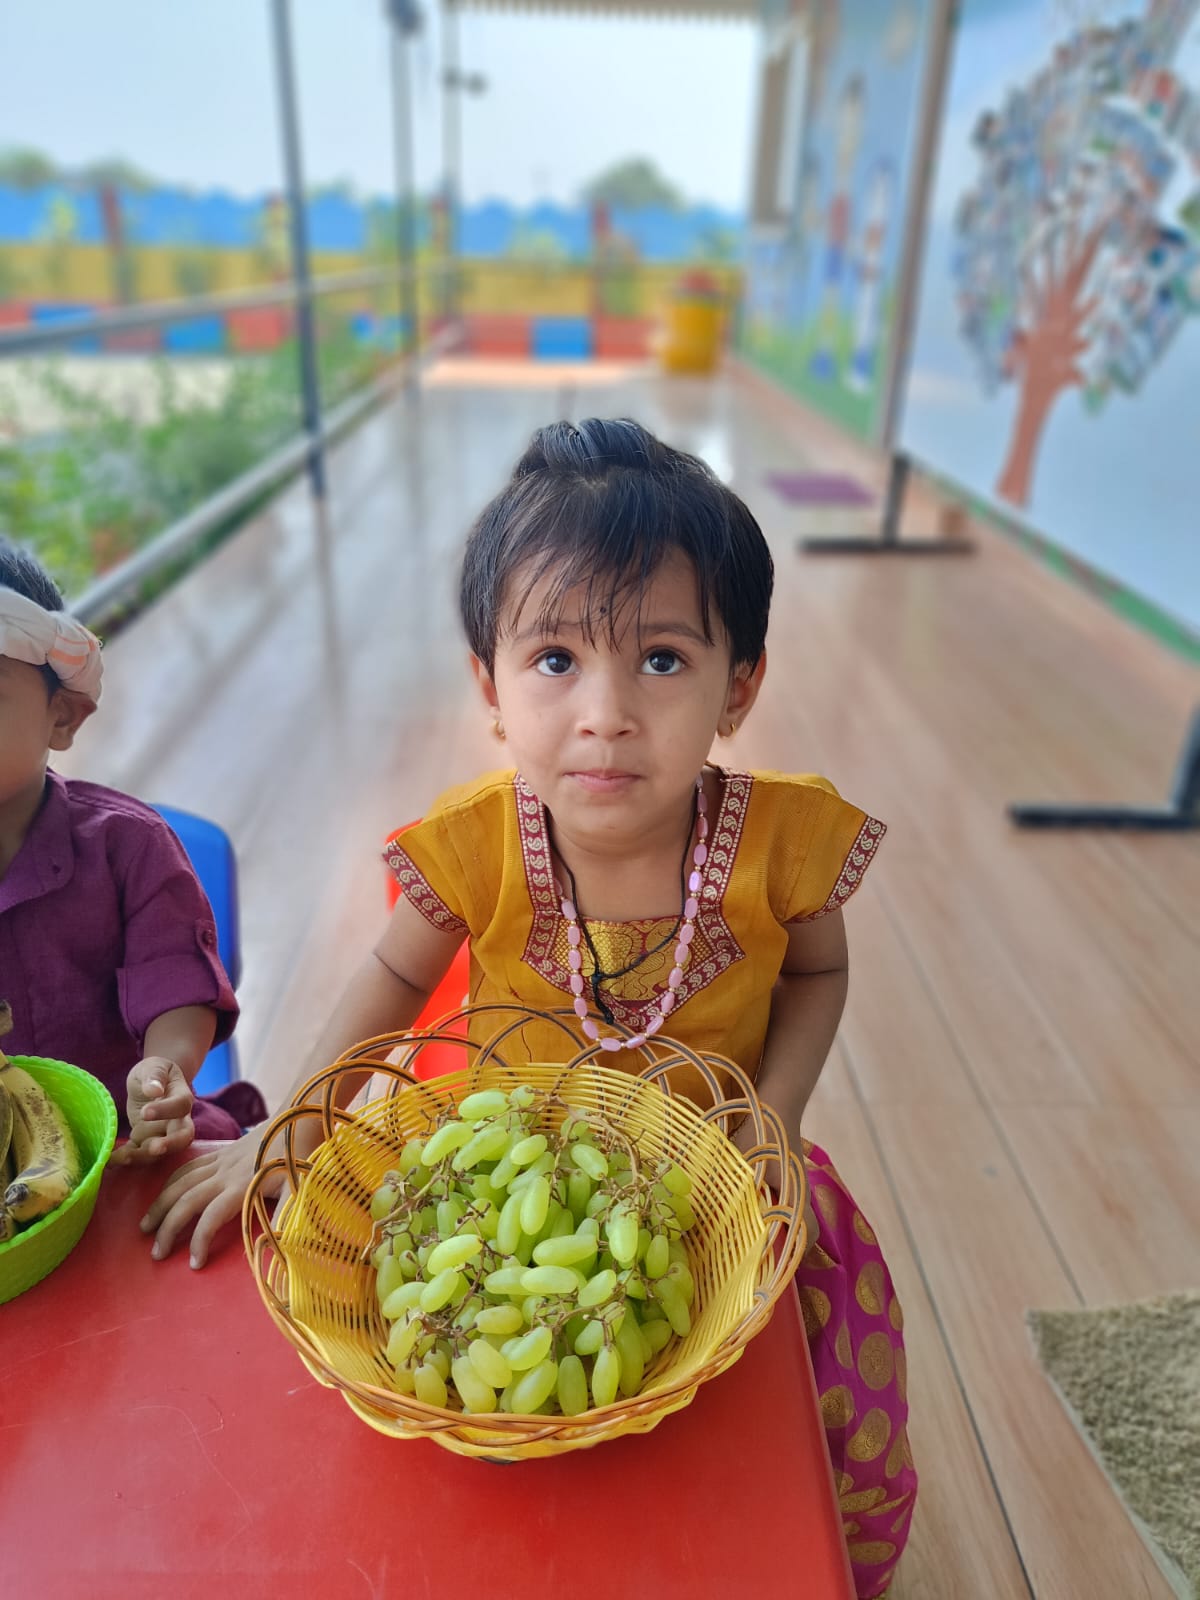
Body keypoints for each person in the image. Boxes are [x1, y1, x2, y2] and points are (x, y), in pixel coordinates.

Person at [144, 419, 914, 1597]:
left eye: (661, 658)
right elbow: (393, 980)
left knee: (808, 1421)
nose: (604, 712)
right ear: (490, 688)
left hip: (719, 1180)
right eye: (555, 658)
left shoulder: (783, 844)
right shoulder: (476, 847)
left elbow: (816, 972)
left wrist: (778, 1112)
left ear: (739, 685)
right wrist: (283, 1129)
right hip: (498, 1191)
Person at [0, 538, 260, 1158]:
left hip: (132, 1145)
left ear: (60, 718)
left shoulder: (130, 848)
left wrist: (163, 1070)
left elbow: (178, 988)